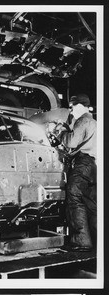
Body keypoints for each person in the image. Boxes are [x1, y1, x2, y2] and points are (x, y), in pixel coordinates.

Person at [51, 94, 97, 252]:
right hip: (92, 166)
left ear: (80, 106)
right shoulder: (94, 122)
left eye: (72, 107)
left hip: (82, 164)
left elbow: (71, 142)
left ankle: (81, 242)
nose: (71, 111)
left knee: (74, 199)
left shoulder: (83, 120)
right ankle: (97, 240)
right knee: (91, 204)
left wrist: (59, 133)